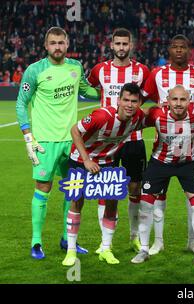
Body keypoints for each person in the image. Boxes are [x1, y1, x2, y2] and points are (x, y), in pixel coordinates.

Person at [16, 27, 99, 259]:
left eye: (61, 43)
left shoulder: (75, 67)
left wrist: (110, 90)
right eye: (53, 43)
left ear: (67, 44)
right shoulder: (35, 71)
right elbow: (21, 103)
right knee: (43, 188)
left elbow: (87, 91)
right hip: (44, 142)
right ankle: (36, 242)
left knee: (73, 192)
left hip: (72, 141)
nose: (57, 47)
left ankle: (67, 240)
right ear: (45, 46)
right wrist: (27, 135)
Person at [141, 34, 194, 256]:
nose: (179, 51)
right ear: (169, 50)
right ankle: (158, 242)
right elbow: (140, 99)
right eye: (175, 47)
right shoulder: (157, 74)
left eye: (183, 47)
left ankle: (192, 242)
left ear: (189, 50)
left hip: (192, 147)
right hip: (164, 144)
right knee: (159, 196)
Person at [62, 83, 151, 266]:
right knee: (77, 202)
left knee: (112, 204)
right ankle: (71, 251)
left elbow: (153, 115)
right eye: (126, 100)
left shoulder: (138, 117)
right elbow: (74, 131)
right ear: (118, 100)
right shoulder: (102, 115)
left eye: (134, 101)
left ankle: (106, 248)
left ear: (139, 103)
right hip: (80, 160)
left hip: (107, 162)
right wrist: (87, 160)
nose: (129, 105)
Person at [87, 28, 150, 254]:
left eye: (125, 44)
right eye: (118, 44)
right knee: (105, 190)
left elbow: (149, 95)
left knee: (135, 188)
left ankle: (134, 237)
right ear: (111, 45)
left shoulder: (142, 71)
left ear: (131, 45)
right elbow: (89, 88)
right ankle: (106, 241)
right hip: (107, 140)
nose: (121, 48)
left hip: (133, 137)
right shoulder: (100, 70)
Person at [131, 85, 194, 264]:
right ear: (167, 100)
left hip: (189, 164)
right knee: (145, 203)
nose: (179, 103)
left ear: (189, 100)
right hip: (160, 162)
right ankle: (144, 249)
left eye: (183, 99)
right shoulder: (156, 115)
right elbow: (134, 122)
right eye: (175, 99)